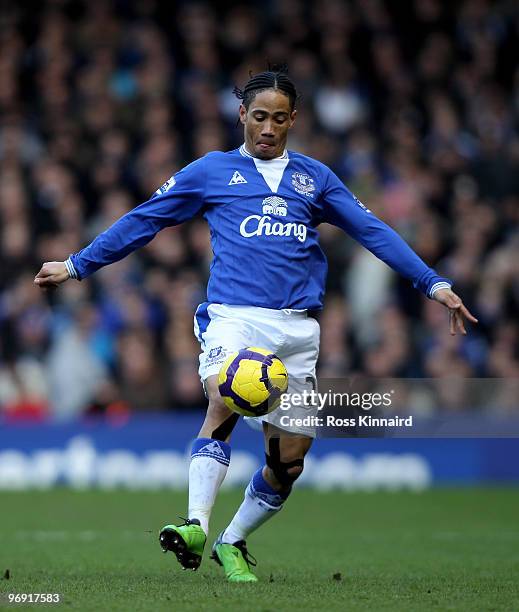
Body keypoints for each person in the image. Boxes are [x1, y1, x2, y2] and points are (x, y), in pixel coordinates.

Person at [34, 67, 477, 583]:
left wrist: (431, 282)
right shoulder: (212, 171)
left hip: (297, 332)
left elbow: (372, 230)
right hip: (234, 319)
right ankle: (195, 523)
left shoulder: (316, 179)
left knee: (289, 463)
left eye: (279, 119)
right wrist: (77, 264)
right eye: (259, 116)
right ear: (242, 115)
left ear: (293, 121)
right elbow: (145, 218)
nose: (268, 128)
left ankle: (232, 540)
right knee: (226, 390)